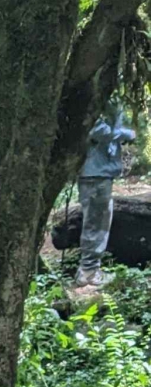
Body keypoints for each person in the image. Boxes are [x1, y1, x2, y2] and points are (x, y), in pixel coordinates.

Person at [76, 108, 137, 287]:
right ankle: (88, 272)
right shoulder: (96, 104)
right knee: (95, 224)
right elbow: (97, 130)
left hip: (99, 174)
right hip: (95, 175)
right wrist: (126, 134)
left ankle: (90, 269)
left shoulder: (106, 105)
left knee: (98, 222)